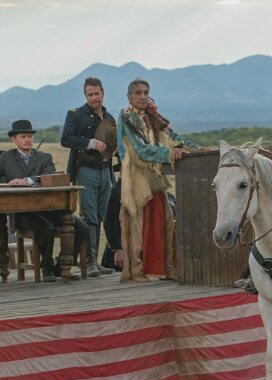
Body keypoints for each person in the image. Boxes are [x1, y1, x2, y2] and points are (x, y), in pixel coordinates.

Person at [117, 78, 200, 283]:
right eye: (138, 93)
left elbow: (171, 136)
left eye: (146, 92)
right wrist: (170, 153)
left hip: (154, 176)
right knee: (136, 225)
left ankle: (166, 268)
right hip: (135, 175)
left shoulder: (151, 116)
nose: (143, 96)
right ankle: (135, 271)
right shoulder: (126, 116)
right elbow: (141, 149)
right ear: (129, 97)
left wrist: (196, 149)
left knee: (165, 222)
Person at [0, 120, 88, 282]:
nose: (27, 139)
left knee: (82, 227)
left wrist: (28, 180)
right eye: (22, 136)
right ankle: (46, 267)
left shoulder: (44, 157)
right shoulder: (5, 158)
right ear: (14, 139)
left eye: (29, 136)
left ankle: (61, 266)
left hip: (48, 209)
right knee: (45, 229)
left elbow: (49, 177)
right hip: (23, 214)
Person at [61, 77, 116, 277]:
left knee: (100, 215)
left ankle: (95, 260)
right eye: (90, 95)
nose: (94, 98)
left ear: (103, 93)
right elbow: (66, 139)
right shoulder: (76, 115)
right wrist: (91, 143)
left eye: (97, 94)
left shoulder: (108, 116)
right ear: (86, 96)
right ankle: (89, 262)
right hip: (86, 169)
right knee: (89, 216)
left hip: (105, 170)